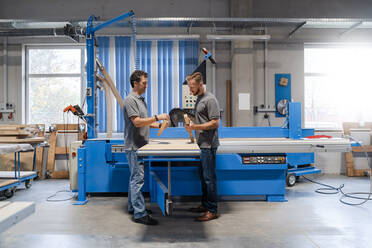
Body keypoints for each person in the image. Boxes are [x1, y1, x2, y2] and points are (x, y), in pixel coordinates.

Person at [123, 70, 169, 225]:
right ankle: (139, 214)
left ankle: (133, 207)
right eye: (144, 83)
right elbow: (136, 122)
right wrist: (157, 117)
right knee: (137, 179)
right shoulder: (130, 100)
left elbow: (145, 121)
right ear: (135, 84)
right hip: (134, 146)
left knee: (134, 178)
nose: (146, 86)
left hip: (141, 146)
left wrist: (159, 125)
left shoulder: (141, 100)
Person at [185, 72, 220, 221]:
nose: (190, 90)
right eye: (189, 87)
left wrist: (195, 127)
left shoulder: (210, 99)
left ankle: (212, 210)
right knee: (203, 177)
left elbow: (215, 123)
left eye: (192, 87)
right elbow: (202, 118)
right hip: (202, 144)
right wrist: (190, 121)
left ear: (200, 85)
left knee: (209, 178)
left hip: (209, 144)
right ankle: (205, 205)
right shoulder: (199, 99)